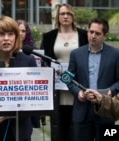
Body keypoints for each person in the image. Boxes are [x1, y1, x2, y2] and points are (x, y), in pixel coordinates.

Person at [40, 4, 88, 141]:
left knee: (76, 127)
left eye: (69, 13)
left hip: (78, 86)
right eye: (62, 14)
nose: (66, 16)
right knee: (58, 127)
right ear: (58, 17)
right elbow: (44, 61)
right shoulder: (49, 36)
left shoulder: (84, 35)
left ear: (73, 17)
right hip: (57, 88)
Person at [67, 18, 119, 141]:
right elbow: (69, 79)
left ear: (105, 36)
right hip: (82, 111)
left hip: (106, 110)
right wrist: (77, 92)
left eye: (97, 33)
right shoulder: (76, 54)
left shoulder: (116, 54)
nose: (93, 36)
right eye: (91, 32)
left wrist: (109, 92)